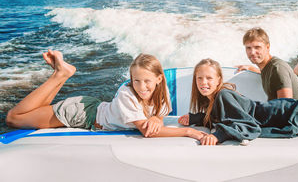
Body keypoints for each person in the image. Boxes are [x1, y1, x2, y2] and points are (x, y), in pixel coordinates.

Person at [6, 49, 204, 140]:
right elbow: (147, 131)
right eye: (136, 80)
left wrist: (156, 118)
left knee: (37, 111)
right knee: (14, 119)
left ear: (159, 79)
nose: (142, 87)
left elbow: (159, 114)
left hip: (92, 106)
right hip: (82, 114)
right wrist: (188, 132)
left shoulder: (162, 92)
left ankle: (60, 74)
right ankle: (60, 74)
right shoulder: (127, 94)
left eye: (147, 81)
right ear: (131, 79)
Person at [178, 47, 298, 145]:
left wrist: (218, 136)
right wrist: (195, 118)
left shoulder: (224, 95)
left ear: (218, 80)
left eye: (209, 78)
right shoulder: (213, 103)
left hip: (285, 112)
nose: (204, 82)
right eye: (199, 78)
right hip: (284, 125)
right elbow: (219, 118)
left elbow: (248, 125)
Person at [236, 27, 298, 102]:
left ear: (267, 47)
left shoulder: (278, 68)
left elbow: (286, 105)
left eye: (257, 47)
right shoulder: (268, 68)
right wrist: (251, 68)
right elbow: (270, 77)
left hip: (295, 113)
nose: (252, 52)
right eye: (248, 48)